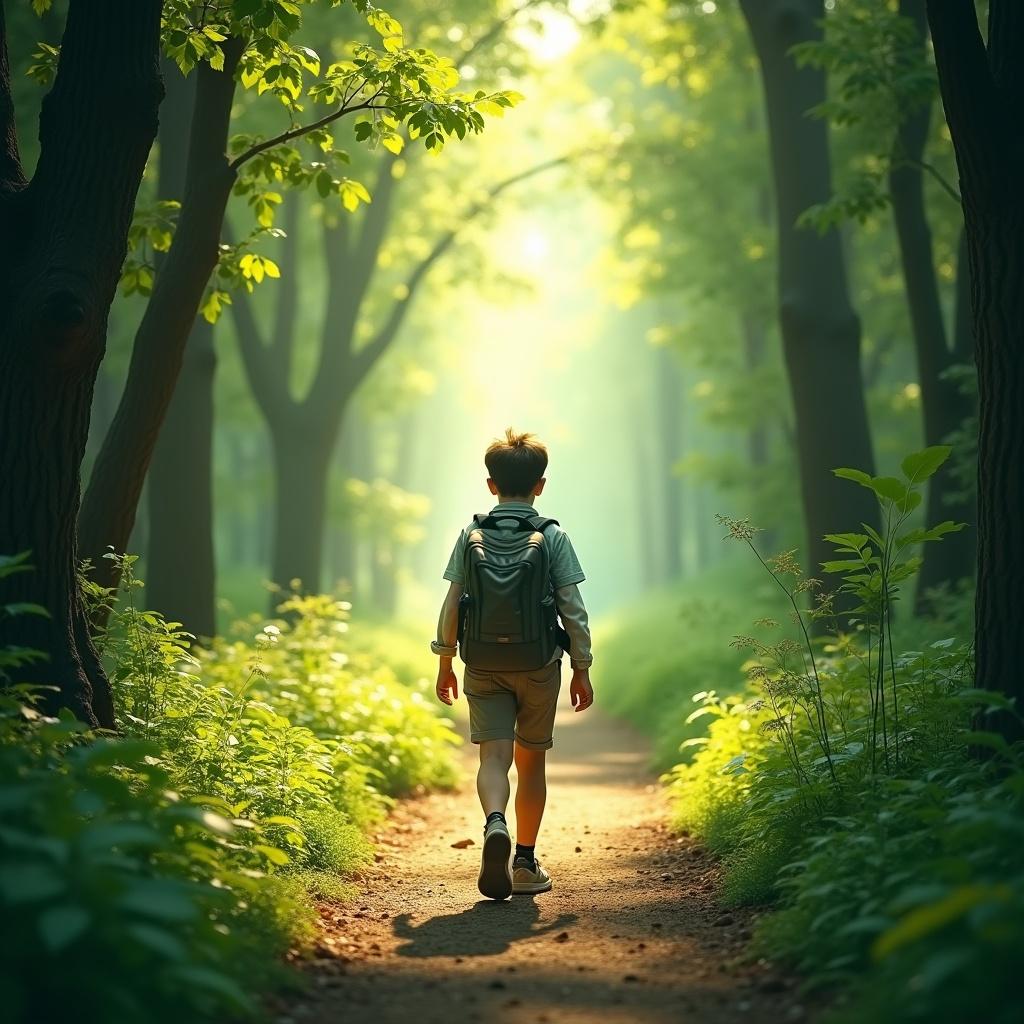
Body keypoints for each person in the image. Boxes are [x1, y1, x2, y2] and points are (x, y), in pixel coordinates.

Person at [432, 428, 594, 900]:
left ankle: (494, 823)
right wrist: (581, 666)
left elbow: (452, 604)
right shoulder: (553, 535)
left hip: (482, 662)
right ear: (540, 485)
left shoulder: (471, 534)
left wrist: (444, 661)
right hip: (539, 663)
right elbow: (573, 607)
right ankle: (524, 862)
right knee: (531, 762)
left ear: (490, 484)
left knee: (494, 758)